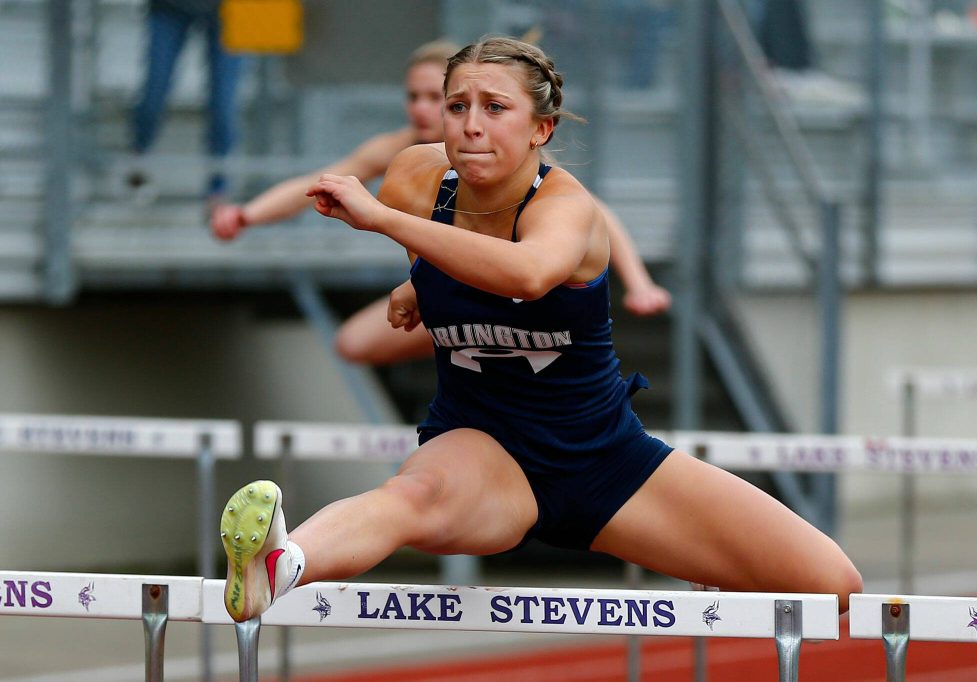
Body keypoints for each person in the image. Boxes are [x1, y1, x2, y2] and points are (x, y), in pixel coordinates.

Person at [218, 37, 862, 624]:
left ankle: (712, 561)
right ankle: (282, 561)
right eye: (456, 105)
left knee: (833, 585)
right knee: (409, 495)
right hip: (482, 448)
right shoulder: (416, 180)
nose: (471, 124)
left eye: (495, 107)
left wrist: (384, 222)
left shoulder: (567, 207)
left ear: (540, 128)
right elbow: (459, 255)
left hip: (603, 459)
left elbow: (528, 274)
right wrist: (419, 284)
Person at [210, 39, 671, 367]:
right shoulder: (402, 159)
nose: (422, 109)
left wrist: (639, 281)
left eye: (435, 96)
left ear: (538, 129)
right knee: (352, 343)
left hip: (538, 306)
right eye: (421, 98)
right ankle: (466, 344)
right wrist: (247, 214)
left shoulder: (519, 163)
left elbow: (591, 219)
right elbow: (321, 184)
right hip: (466, 329)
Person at [127, 0, 246, 202]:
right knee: (154, 91)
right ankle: (139, 158)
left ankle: (218, 189)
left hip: (237, 9)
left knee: (224, 103)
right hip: (170, 7)